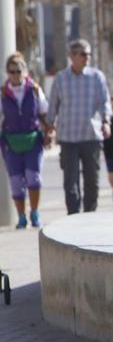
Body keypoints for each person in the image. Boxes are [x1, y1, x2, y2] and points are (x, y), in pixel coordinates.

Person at [46, 39, 111, 214]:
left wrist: (106, 122)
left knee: (92, 180)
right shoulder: (61, 78)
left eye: (88, 54)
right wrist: (49, 127)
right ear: (71, 56)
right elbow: (53, 105)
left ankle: (90, 214)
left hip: (91, 136)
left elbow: (105, 102)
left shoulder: (97, 77)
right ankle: (73, 215)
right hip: (68, 138)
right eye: (83, 54)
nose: (87, 57)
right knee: (70, 181)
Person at [1, 53, 50, 228]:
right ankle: (21, 216)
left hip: (33, 139)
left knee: (33, 178)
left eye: (18, 71)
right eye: (12, 71)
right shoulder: (3, 93)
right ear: (8, 72)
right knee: (16, 181)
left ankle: (34, 213)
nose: (15, 74)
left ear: (24, 71)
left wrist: (49, 132)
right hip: (11, 141)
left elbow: (44, 112)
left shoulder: (34, 90)